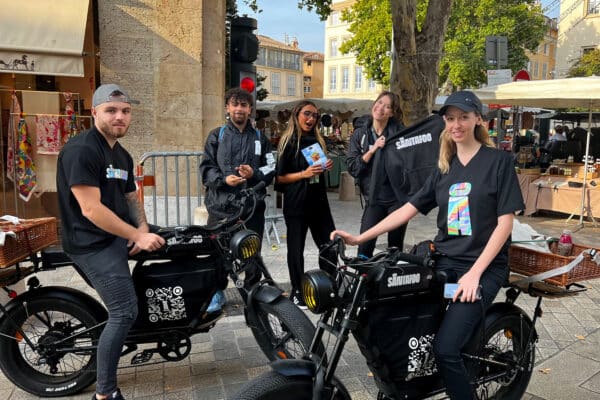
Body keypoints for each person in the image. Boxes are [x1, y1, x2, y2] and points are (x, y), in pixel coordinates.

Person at [332, 91, 524, 400]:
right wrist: (360, 238)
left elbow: (505, 224)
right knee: (406, 316)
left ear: (477, 119)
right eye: (450, 119)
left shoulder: (499, 162)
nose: (456, 124)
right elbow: (406, 209)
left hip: (483, 268)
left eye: (463, 117)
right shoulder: (444, 167)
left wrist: (474, 275)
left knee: (446, 349)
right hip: (445, 262)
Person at [57, 84, 166, 400]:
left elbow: (131, 196)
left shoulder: (121, 153)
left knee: (186, 239)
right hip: (92, 243)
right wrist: (135, 236)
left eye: (126, 111)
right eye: (111, 110)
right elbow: (91, 209)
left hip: (116, 235)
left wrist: (143, 228)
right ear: (94, 112)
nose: (120, 116)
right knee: (123, 312)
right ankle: (105, 393)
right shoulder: (82, 150)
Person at [200, 87, 275, 287]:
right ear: (227, 107)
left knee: (252, 256)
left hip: (251, 209)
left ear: (250, 109)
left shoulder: (261, 138)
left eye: (243, 105)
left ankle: (254, 300)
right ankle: (216, 295)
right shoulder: (217, 135)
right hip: (220, 208)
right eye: (235, 104)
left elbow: (271, 167)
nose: (239, 109)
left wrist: (254, 175)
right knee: (217, 254)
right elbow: (206, 168)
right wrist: (224, 180)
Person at [275, 100, 336, 308]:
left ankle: (329, 286)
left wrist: (325, 165)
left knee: (330, 245)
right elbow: (280, 178)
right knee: (296, 249)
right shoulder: (288, 141)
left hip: (319, 202)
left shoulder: (317, 140)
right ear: (297, 114)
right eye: (307, 114)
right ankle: (298, 291)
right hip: (297, 202)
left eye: (315, 116)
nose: (311, 119)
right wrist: (304, 174)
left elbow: (316, 169)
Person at [346, 91, 407, 258]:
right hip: (373, 198)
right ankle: (363, 279)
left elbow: (409, 163)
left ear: (392, 112)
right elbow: (353, 167)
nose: (381, 108)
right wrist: (371, 151)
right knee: (365, 245)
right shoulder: (360, 134)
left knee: (394, 248)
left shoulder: (399, 133)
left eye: (387, 106)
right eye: (379, 103)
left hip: (396, 199)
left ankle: (390, 280)